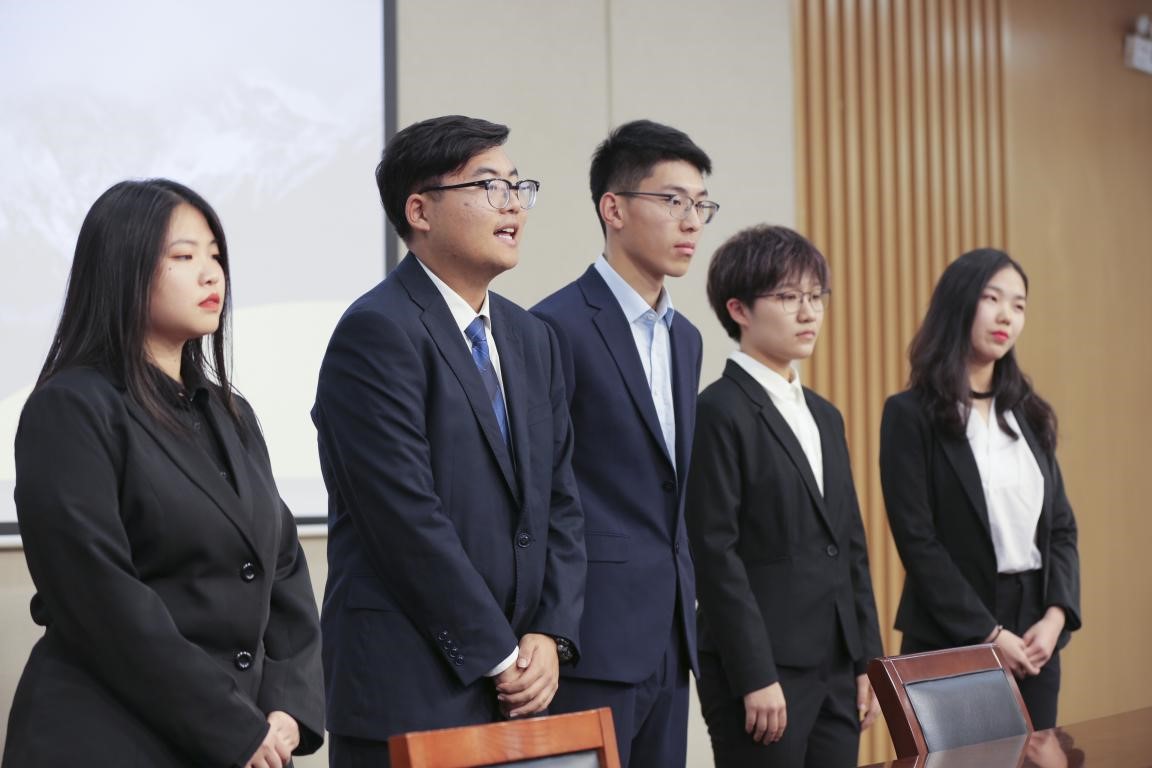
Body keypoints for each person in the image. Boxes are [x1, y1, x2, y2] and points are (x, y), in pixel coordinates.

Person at [3, 179, 325, 768]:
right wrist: (231, 726)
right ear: (123, 271)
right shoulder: (70, 407)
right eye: (183, 256)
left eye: (215, 255)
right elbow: (99, 597)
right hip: (107, 739)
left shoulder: (231, 412)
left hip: (235, 737)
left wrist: (288, 705)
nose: (211, 274)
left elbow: (281, 565)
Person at [313, 115, 586, 768]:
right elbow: (405, 519)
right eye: (490, 186)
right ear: (420, 210)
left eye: (519, 187)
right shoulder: (376, 332)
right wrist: (499, 653)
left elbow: (560, 501)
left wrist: (549, 633)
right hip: (412, 685)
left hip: (520, 686)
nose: (513, 204)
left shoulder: (533, 338)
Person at [531, 119, 713, 768]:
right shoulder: (552, 327)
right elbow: (541, 492)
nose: (691, 222)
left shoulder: (686, 338)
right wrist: (549, 626)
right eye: (673, 200)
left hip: (670, 635)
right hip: (591, 636)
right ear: (613, 209)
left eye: (701, 205)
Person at [685, 225, 883, 768]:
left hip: (837, 665)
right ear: (739, 310)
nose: (808, 312)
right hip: (762, 671)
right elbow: (714, 554)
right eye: (789, 297)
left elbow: (850, 545)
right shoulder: (718, 411)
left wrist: (867, 662)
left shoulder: (825, 414)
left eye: (816, 296)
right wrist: (755, 674)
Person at [879, 247, 1081, 729]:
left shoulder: (1029, 413)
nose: (1006, 315)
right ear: (959, 303)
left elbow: (1060, 527)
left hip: (1034, 638)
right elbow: (917, 540)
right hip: (950, 636)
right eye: (992, 299)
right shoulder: (910, 415)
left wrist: (1055, 618)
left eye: (1018, 304)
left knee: (1036, 758)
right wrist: (988, 634)